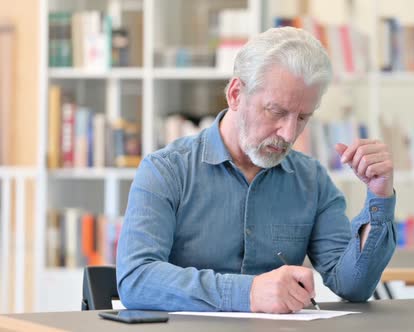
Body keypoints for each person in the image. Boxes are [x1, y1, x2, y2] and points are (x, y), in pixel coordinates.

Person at [116, 26, 397, 314]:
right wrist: (248, 293)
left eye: (303, 117)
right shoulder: (165, 171)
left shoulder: (312, 181)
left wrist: (379, 197)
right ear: (236, 94)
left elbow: (353, 286)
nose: (289, 134)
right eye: (276, 112)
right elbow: (136, 279)